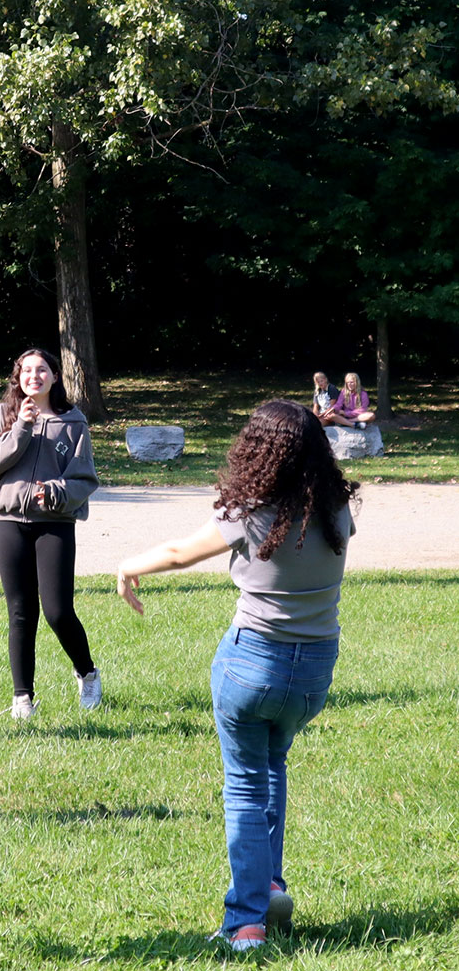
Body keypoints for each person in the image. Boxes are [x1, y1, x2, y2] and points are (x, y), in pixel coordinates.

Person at [116, 400, 358, 952]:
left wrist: (128, 565)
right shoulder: (338, 508)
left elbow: (180, 553)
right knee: (273, 765)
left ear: (258, 449)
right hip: (314, 669)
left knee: (246, 786)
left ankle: (246, 921)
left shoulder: (251, 508)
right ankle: (270, 883)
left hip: (253, 661)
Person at [0, 347, 102, 719]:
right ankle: (23, 698)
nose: (34, 376)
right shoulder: (2, 416)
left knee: (58, 611)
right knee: (20, 611)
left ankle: (87, 672)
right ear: (18, 377)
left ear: (55, 376)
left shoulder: (73, 422)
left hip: (54, 523)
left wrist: (59, 492)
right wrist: (21, 428)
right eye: (26, 370)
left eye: (42, 369)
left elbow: (84, 478)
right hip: (8, 521)